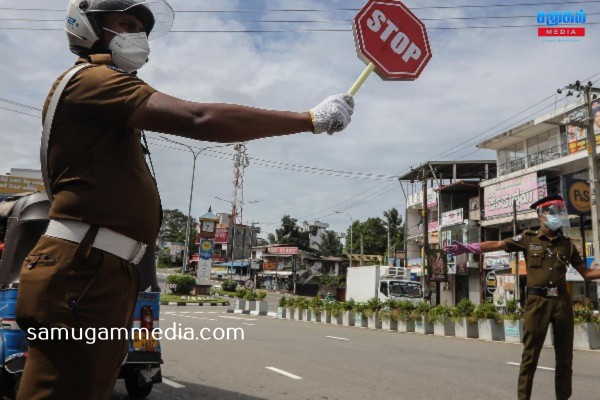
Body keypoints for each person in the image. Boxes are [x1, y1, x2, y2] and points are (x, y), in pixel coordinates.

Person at [14, 1, 354, 399]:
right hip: (83, 267)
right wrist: (309, 120)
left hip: (100, 269)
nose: (136, 37)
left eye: (141, 30)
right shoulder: (92, 80)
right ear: (87, 28)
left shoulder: (105, 97)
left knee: (88, 387)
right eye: (125, 24)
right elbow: (199, 119)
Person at [444, 194, 600, 400]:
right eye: (551, 212)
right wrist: (471, 248)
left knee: (565, 358)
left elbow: (587, 274)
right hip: (537, 303)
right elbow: (499, 245)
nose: (555, 217)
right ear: (541, 216)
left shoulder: (567, 245)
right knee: (530, 357)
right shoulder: (528, 238)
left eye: (557, 212)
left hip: (562, 303)